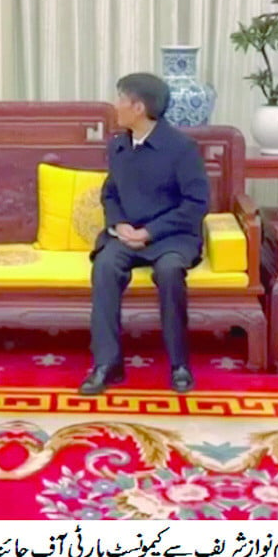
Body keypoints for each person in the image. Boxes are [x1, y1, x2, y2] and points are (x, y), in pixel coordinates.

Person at [79, 73, 210, 395]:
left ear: (138, 107)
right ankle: (107, 363)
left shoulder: (180, 147)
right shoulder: (119, 145)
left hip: (171, 236)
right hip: (126, 235)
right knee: (106, 266)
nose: (115, 106)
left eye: (120, 99)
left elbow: (196, 203)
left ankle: (179, 364)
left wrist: (150, 232)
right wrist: (119, 224)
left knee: (169, 271)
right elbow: (109, 193)